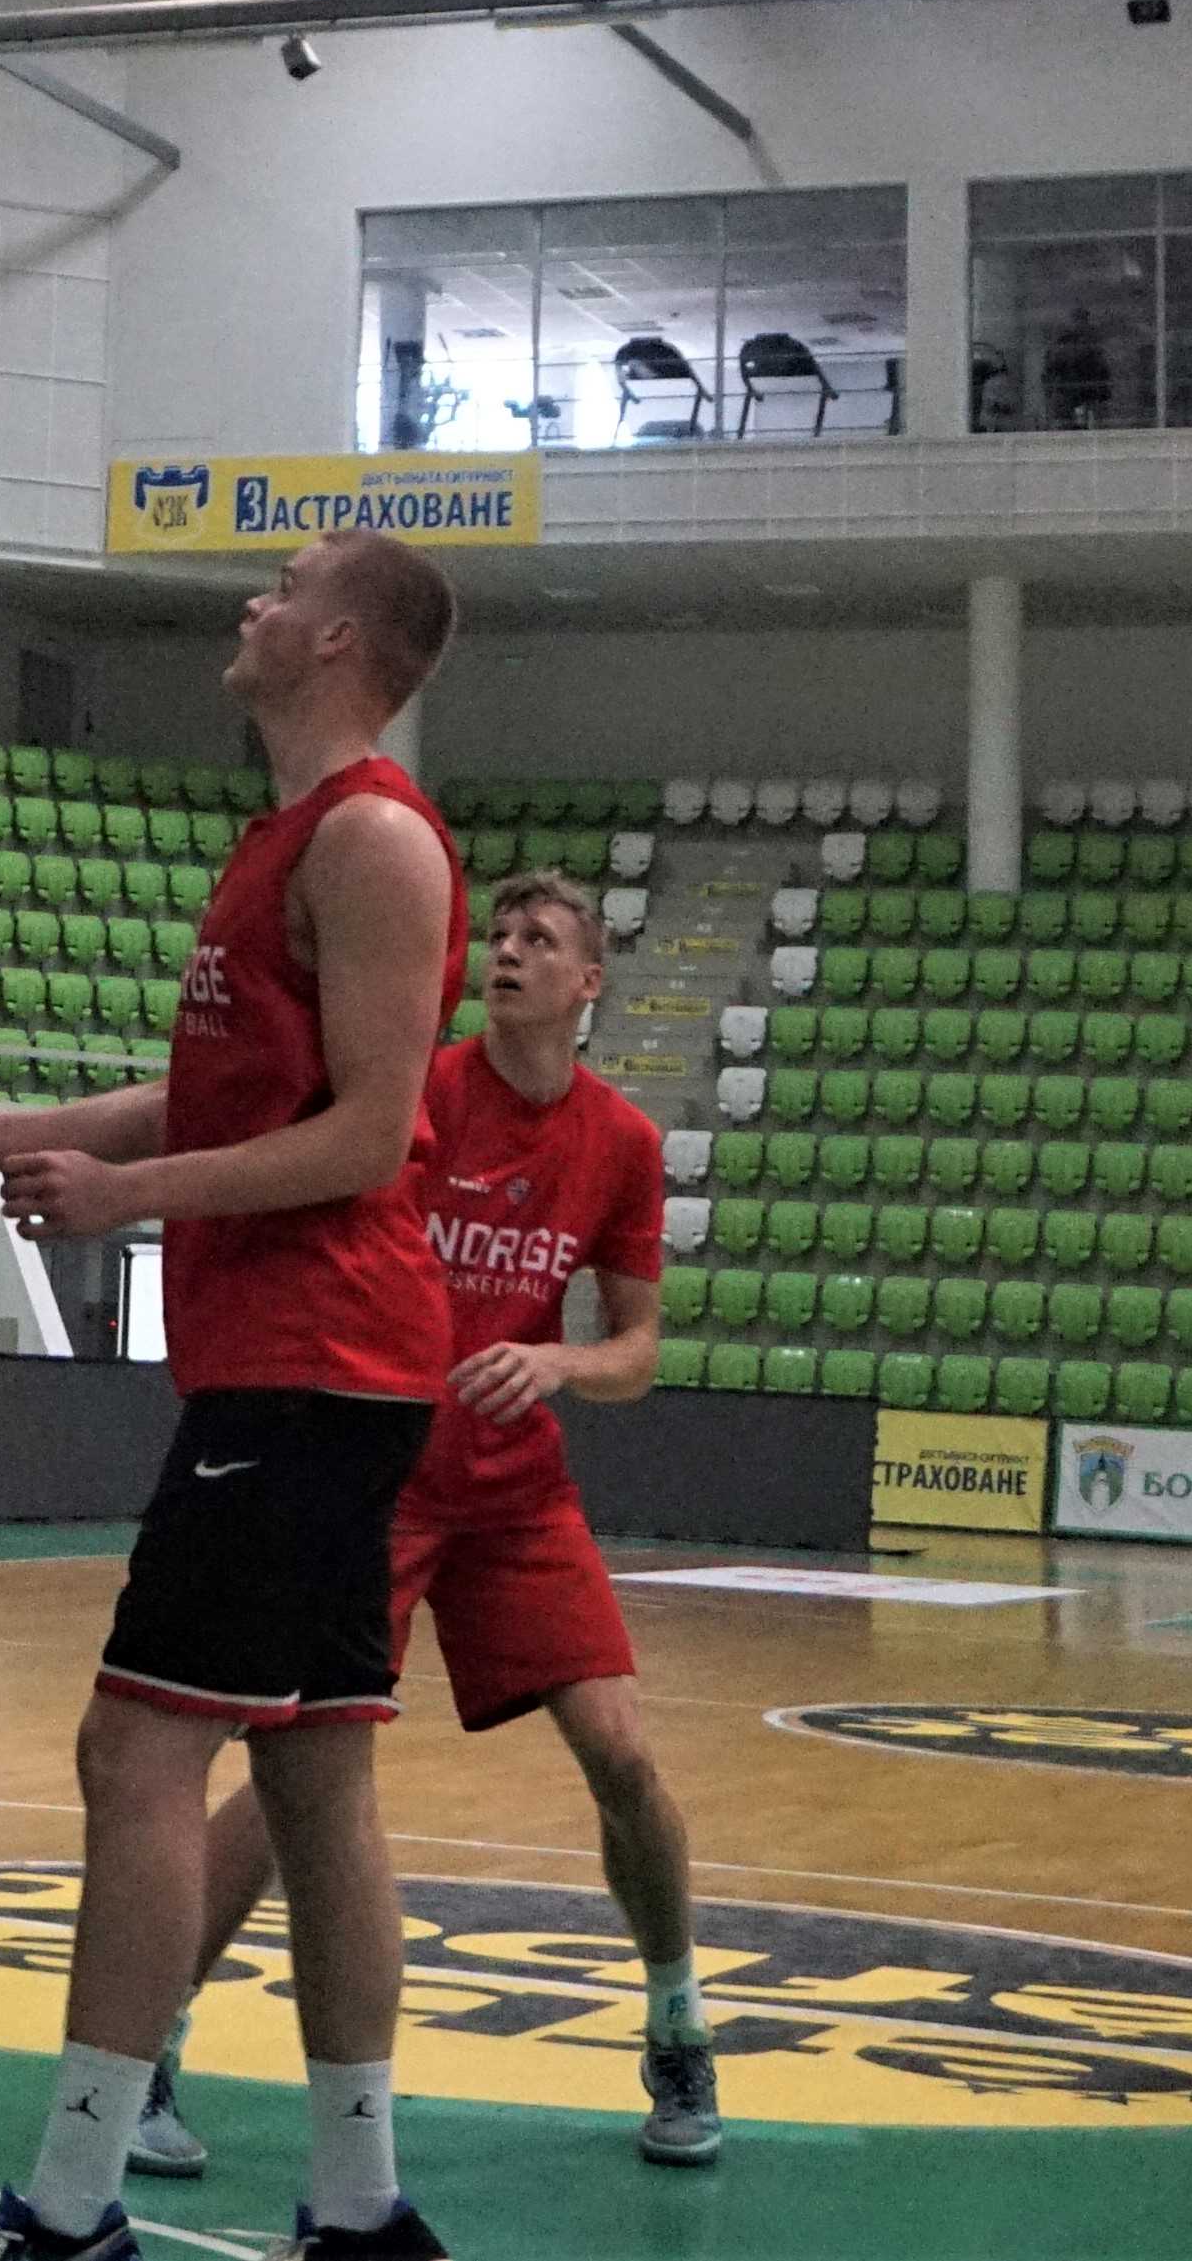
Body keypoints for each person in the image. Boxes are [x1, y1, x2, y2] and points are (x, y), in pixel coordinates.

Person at [0, 530, 471, 2261]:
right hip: (314, 1370)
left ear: (341, 640)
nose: (249, 606)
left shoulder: (370, 840)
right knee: (310, 1787)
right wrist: (14, 1135)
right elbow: (212, 1091)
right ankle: (359, 2209)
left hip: (313, 1366)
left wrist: (117, 1203)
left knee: (132, 1756)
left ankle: (71, 2203)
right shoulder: (292, 837)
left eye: (281, 588)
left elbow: (368, 1136)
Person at [132, 867, 713, 2184]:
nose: (507, 951)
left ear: (587, 981)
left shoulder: (619, 1141)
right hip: (376, 1472)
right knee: (294, 1774)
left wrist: (560, 1366)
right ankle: (155, 2039)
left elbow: (634, 1348)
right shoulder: (423, 1093)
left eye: (539, 939)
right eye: (497, 934)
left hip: (514, 1486)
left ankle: (678, 2022)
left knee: (619, 1750)